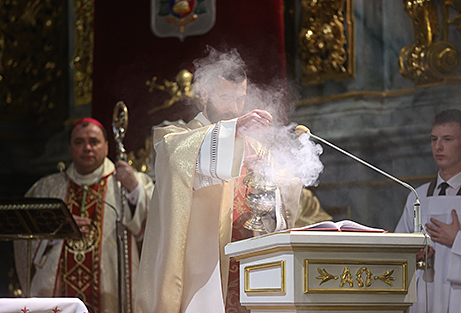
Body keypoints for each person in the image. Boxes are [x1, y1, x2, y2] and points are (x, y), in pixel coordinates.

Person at [134, 50, 304, 313]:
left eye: (240, 99)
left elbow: (283, 205)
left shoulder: (255, 149)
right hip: (201, 278)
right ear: (204, 95)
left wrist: (271, 175)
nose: (235, 109)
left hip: (250, 272)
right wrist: (231, 133)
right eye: (225, 97)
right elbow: (176, 156)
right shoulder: (174, 138)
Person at [14, 118, 154, 313]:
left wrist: (135, 189)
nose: (87, 148)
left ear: (106, 147)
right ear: (70, 148)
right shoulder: (46, 188)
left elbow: (156, 229)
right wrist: (55, 232)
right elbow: (23, 242)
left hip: (112, 290)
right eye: (79, 142)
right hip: (56, 288)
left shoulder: (126, 182)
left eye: (94, 142)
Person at [395, 109, 461, 313]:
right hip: (424, 299)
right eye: (434, 139)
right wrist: (414, 254)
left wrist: (458, 241)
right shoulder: (417, 197)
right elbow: (396, 253)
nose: (438, 147)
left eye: (447, 139)